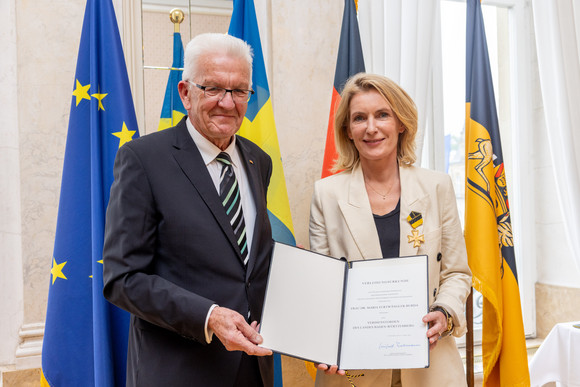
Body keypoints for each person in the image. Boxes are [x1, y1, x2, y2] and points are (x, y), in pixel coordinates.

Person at [102, 33, 275, 387]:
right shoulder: (143, 160)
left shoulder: (260, 161)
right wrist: (208, 317)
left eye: (239, 90)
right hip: (179, 372)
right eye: (213, 88)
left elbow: (250, 266)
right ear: (185, 93)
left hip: (254, 370)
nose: (228, 103)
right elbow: (123, 278)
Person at [309, 73, 472, 387]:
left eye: (382, 114)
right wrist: (319, 341)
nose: (371, 127)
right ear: (348, 130)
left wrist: (444, 311)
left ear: (401, 123)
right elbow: (322, 287)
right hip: (354, 369)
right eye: (359, 118)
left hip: (431, 364)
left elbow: (457, 273)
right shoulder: (326, 194)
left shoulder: (437, 186)